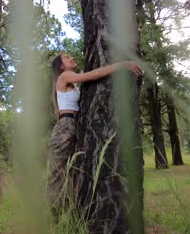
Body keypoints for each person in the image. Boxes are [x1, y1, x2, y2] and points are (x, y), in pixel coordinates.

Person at [47, 52, 142, 213]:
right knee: (56, 174)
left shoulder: (70, 82)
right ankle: (52, 216)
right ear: (61, 66)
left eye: (71, 56)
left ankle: (66, 212)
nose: (72, 58)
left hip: (71, 124)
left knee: (70, 171)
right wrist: (122, 64)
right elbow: (92, 75)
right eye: (67, 58)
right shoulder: (65, 76)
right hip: (65, 126)